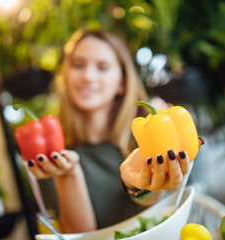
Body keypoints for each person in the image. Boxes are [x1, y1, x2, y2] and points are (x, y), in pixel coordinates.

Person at [24, 29, 194, 233]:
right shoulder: (54, 155)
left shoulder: (147, 131)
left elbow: (165, 195)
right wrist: (69, 175)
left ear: (122, 83)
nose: (87, 76)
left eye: (102, 67)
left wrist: (140, 188)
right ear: (66, 76)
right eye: (78, 65)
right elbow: (80, 234)